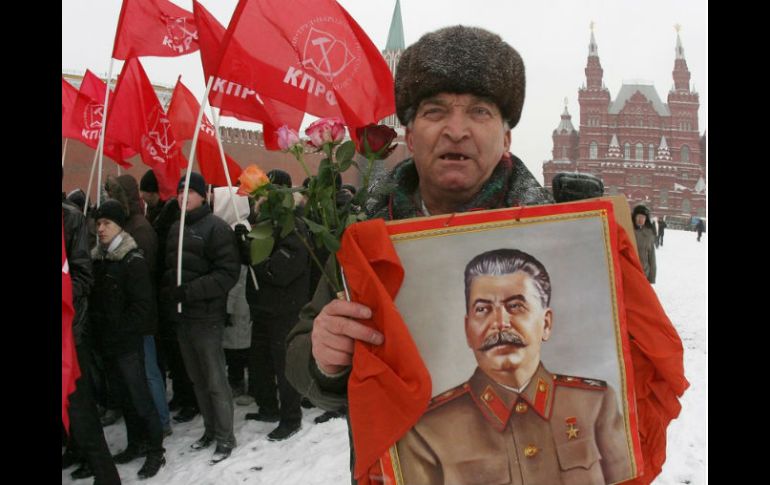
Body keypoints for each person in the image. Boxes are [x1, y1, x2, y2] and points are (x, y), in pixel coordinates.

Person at [286, 24, 553, 424]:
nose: (456, 130)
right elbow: (302, 353)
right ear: (410, 138)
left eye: (480, 111)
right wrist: (324, 358)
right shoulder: (368, 235)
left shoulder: (552, 235)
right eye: (435, 111)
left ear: (507, 137)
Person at [395, 248, 632, 485]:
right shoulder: (426, 432)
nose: (500, 323)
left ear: (546, 324)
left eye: (516, 306)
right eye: (483, 309)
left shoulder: (595, 404)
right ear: (468, 330)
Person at [160, 172, 240, 464]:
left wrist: (190, 291)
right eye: (180, 192)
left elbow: (227, 273)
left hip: (206, 316)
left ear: (202, 195)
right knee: (197, 379)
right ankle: (209, 430)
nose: (183, 197)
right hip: (183, 318)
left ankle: (225, 436)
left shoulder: (216, 228)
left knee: (215, 378)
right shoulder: (175, 228)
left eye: (189, 192)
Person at [90, 200, 166, 479]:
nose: (100, 229)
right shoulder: (98, 259)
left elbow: (143, 307)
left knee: (140, 397)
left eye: (107, 223)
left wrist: (123, 331)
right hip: (108, 342)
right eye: (98, 223)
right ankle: (136, 443)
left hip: (128, 343)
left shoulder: (132, 259)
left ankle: (156, 450)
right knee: (124, 397)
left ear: (119, 226)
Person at [236, 169, 311, 441]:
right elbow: (256, 261)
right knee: (260, 362)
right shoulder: (264, 223)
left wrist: (255, 257)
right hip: (263, 307)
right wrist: (244, 244)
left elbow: (282, 269)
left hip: (285, 308)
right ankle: (268, 407)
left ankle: (291, 418)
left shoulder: (294, 225)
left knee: (284, 365)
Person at [104, 174, 171, 437]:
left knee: (150, 370)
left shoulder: (140, 229)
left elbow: (143, 274)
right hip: (129, 312)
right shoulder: (128, 225)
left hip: (142, 311)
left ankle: (161, 421)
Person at [62, 197, 121, 485]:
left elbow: (83, 277)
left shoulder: (70, 219)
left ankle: (105, 474)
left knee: (80, 407)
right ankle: (77, 453)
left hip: (70, 331)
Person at [139, 169, 200, 423]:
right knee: (174, 353)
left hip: (180, 293)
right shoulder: (158, 213)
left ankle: (191, 399)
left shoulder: (172, 216)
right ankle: (183, 396)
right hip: (166, 292)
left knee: (182, 354)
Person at [631, 205, 656, 284]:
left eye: (643, 217)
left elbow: (652, 257)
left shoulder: (649, 234)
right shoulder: (628, 231)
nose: (641, 219)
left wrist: (651, 278)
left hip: (644, 273)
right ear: (634, 217)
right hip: (629, 272)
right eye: (638, 216)